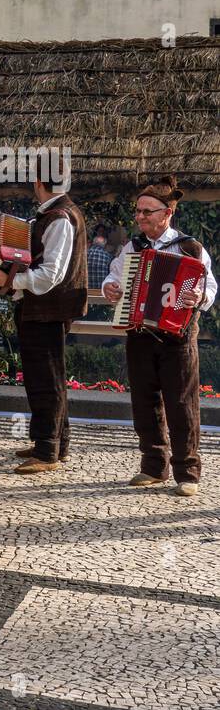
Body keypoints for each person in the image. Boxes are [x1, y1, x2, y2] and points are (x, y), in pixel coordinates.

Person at [103, 178, 217, 497]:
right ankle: (153, 467)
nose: (139, 217)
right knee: (144, 402)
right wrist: (109, 287)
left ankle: (187, 472)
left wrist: (199, 296)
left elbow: (209, 286)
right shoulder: (134, 247)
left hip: (177, 338)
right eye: (137, 211)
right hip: (139, 333)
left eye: (146, 212)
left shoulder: (190, 247)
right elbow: (114, 275)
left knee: (182, 404)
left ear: (166, 213)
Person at [0, 172, 87, 474]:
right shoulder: (57, 215)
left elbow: (51, 274)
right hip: (42, 309)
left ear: (38, 183)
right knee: (49, 380)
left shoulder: (59, 218)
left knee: (46, 382)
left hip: (46, 311)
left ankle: (46, 451)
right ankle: (56, 443)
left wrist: (10, 279)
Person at [86, 224, 112, 289]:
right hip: (101, 291)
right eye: (100, 231)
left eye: (103, 231)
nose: (101, 233)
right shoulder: (108, 256)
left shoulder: (84, 254)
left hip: (86, 290)